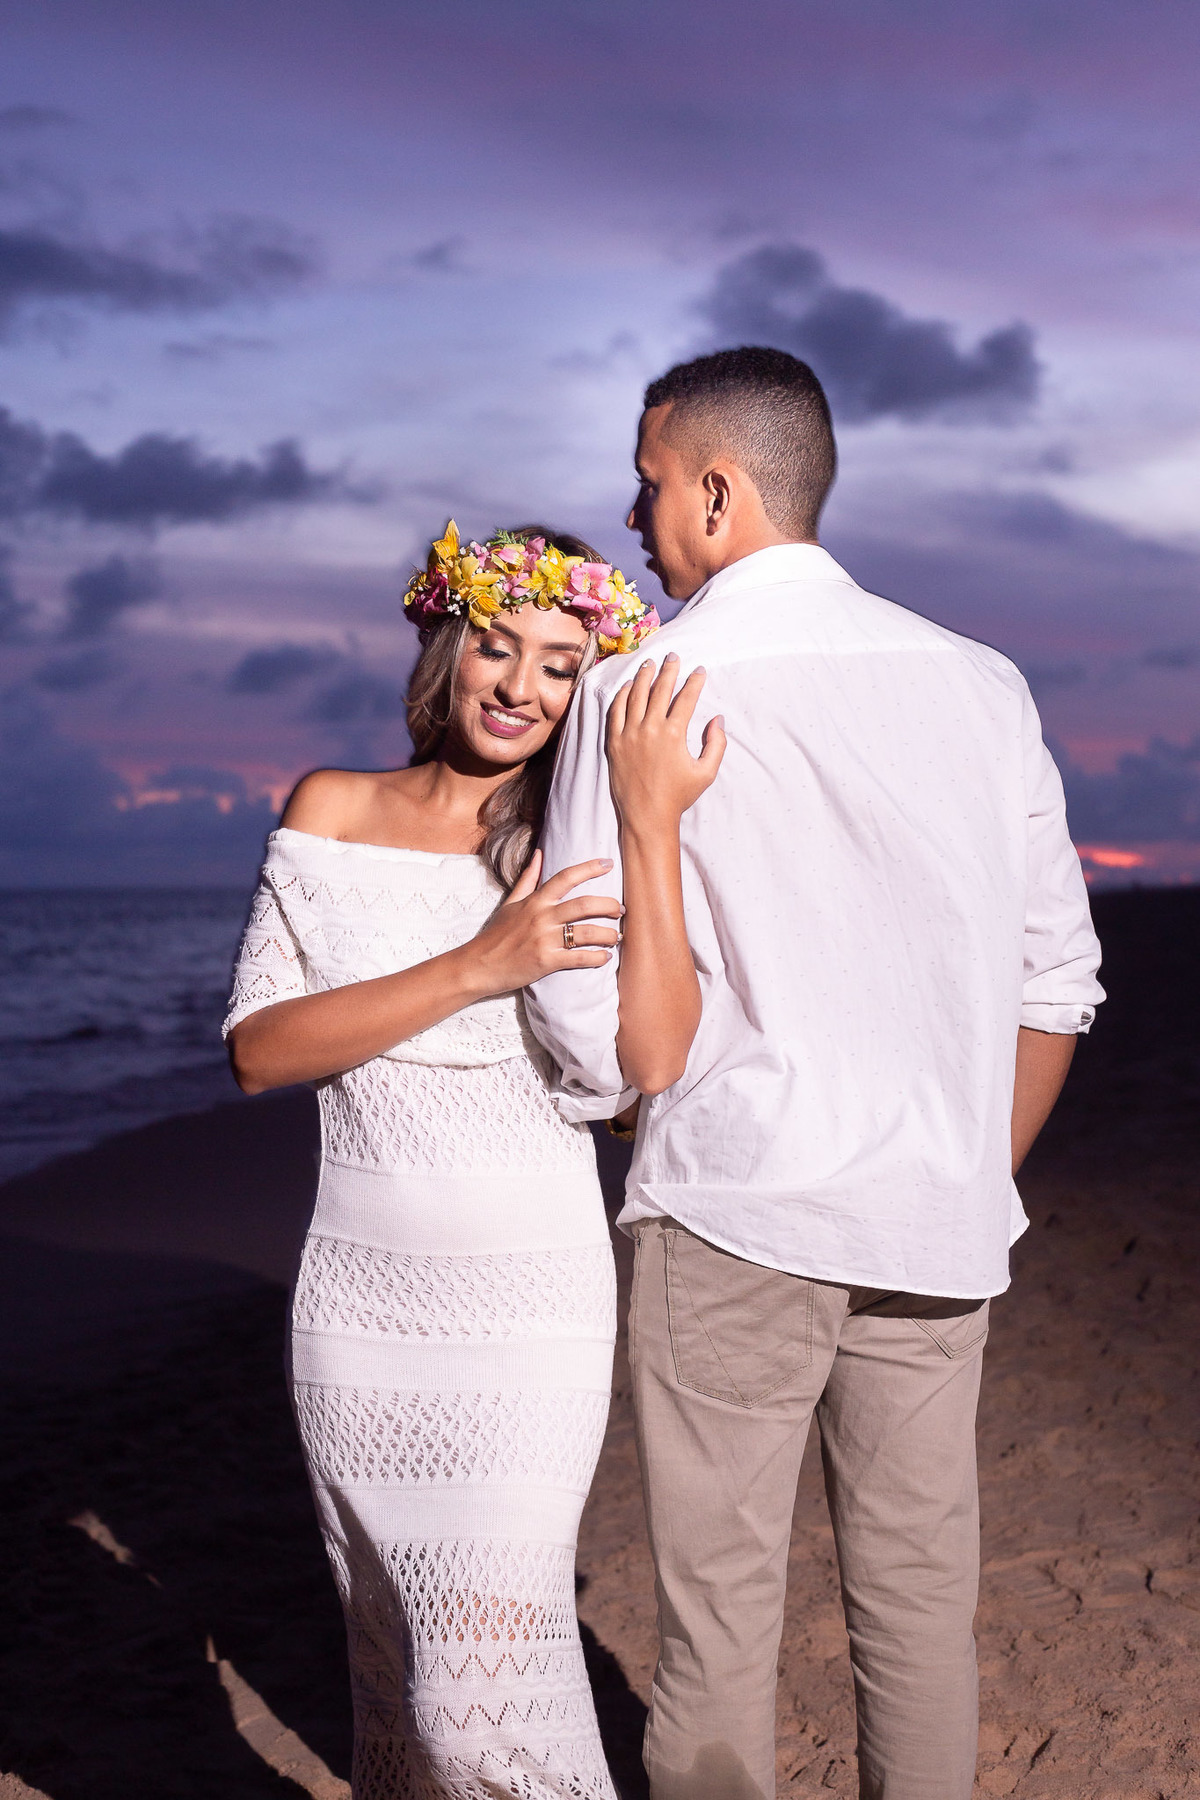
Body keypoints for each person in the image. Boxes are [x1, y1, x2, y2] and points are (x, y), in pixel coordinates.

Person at [524, 347, 1105, 1800]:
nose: (639, 515)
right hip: (936, 1224)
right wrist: (971, 1163)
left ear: (718, 493)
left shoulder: (642, 688)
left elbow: (595, 1037)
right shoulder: (981, 685)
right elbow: (1060, 982)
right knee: (921, 1614)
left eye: (651, 484)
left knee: (717, 1631)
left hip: (732, 1211)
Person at [223, 522, 680, 1799]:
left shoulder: (577, 850)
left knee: (484, 1691)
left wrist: (645, 852)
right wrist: (483, 963)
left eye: (559, 664)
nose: (520, 687)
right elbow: (261, 1051)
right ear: (449, 643)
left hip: (532, 1303)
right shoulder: (332, 809)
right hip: (360, 1309)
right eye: (499, 646)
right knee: (400, 1668)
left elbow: (639, 1075)